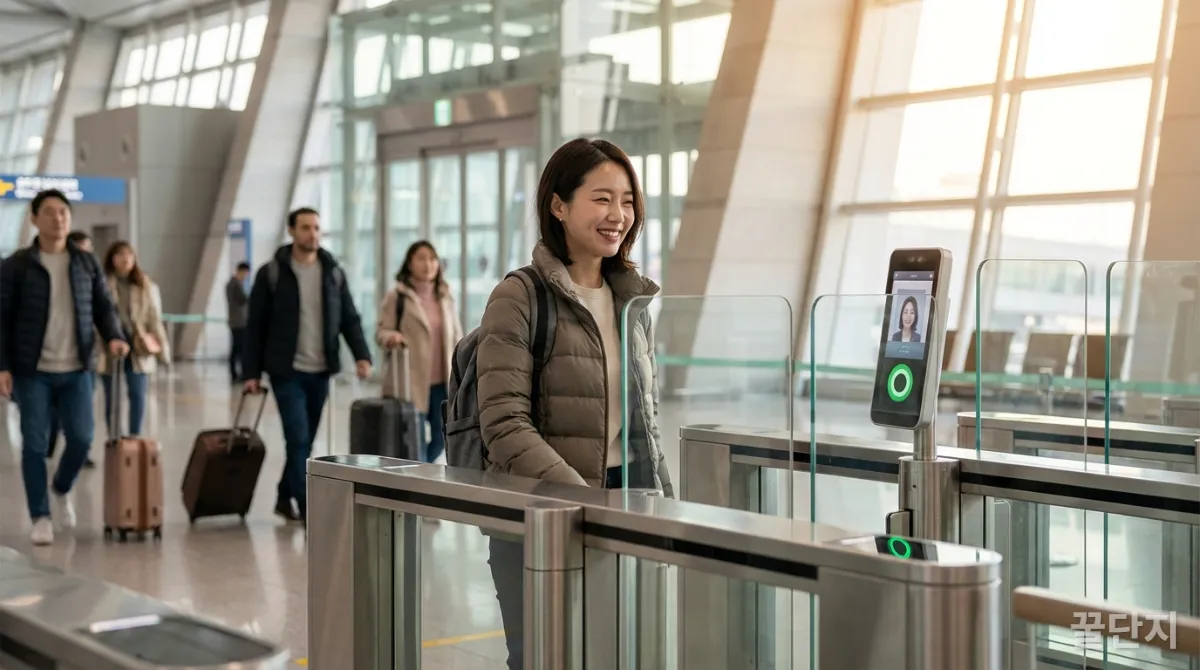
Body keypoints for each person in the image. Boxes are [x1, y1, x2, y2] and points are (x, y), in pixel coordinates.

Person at [475, 138, 672, 668]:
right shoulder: (519, 296)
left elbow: (645, 421)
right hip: (539, 512)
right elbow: (504, 422)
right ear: (558, 206)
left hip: (623, 502)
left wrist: (664, 499)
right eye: (602, 198)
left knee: (619, 652)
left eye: (627, 200)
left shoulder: (632, 300)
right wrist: (581, 499)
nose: (619, 215)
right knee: (545, 656)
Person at [0, 189, 129, 546]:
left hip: (77, 369)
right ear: (34, 218)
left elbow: (104, 307)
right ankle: (40, 516)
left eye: (64, 213)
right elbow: (2, 319)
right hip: (33, 371)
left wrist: (115, 336)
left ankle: (61, 488)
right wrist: (2, 366)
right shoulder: (16, 265)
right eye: (50, 212)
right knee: (34, 446)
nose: (58, 219)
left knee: (83, 438)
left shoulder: (85, 263)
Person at [243, 207, 373, 524]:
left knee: (305, 441)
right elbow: (255, 326)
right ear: (291, 231)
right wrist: (251, 373)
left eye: (316, 228)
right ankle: (307, 506)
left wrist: (362, 354)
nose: (312, 233)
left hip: (321, 370)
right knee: (298, 439)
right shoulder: (271, 273)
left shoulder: (332, 272)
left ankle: (283, 497)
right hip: (286, 371)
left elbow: (349, 317)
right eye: (305, 227)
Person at [375, 241, 464, 463]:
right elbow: (381, 331)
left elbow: (457, 335)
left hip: (442, 382)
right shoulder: (398, 297)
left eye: (432, 259)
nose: (428, 264)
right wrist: (391, 338)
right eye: (421, 258)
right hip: (410, 382)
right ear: (409, 263)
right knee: (410, 436)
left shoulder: (445, 297)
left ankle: (419, 469)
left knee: (441, 437)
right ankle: (417, 479)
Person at [97, 240, 171, 437]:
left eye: (129, 254)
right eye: (120, 254)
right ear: (111, 258)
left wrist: (163, 351)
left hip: (138, 346)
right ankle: (114, 438)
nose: (125, 259)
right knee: (112, 397)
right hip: (109, 345)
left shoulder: (145, 284)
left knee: (137, 394)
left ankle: (134, 436)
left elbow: (155, 319)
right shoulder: (101, 283)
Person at [45, 231, 99, 468]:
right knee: (55, 410)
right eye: (81, 248)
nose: (85, 253)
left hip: (84, 358)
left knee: (80, 416)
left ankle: (78, 452)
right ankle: (50, 444)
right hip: (47, 360)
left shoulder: (92, 273)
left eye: (88, 248)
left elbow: (105, 309)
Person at [226, 262, 251, 382]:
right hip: (239, 322)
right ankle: (236, 373)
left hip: (238, 321)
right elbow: (242, 300)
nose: (246, 276)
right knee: (238, 348)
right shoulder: (235, 284)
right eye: (245, 273)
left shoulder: (234, 284)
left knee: (238, 348)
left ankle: (237, 372)